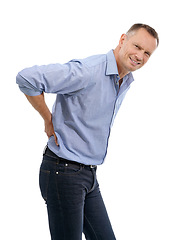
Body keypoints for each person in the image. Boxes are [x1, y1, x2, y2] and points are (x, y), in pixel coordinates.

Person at [16, 23, 159, 240]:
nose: (139, 55)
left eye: (147, 53)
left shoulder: (123, 79)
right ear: (122, 40)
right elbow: (26, 78)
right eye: (137, 46)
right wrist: (48, 119)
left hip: (88, 175)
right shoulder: (89, 71)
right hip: (63, 172)